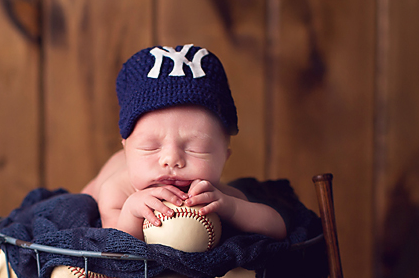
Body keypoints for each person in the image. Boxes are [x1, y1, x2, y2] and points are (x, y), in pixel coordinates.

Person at [82, 44, 286, 241]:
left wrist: (233, 208)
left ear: (225, 156)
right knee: (83, 200)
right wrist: (130, 213)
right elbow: (113, 249)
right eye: (150, 147)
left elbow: (278, 229)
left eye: (196, 149)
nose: (172, 159)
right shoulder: (118, 190)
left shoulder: (219, 196)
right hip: (101, 182)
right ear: (126, 151)